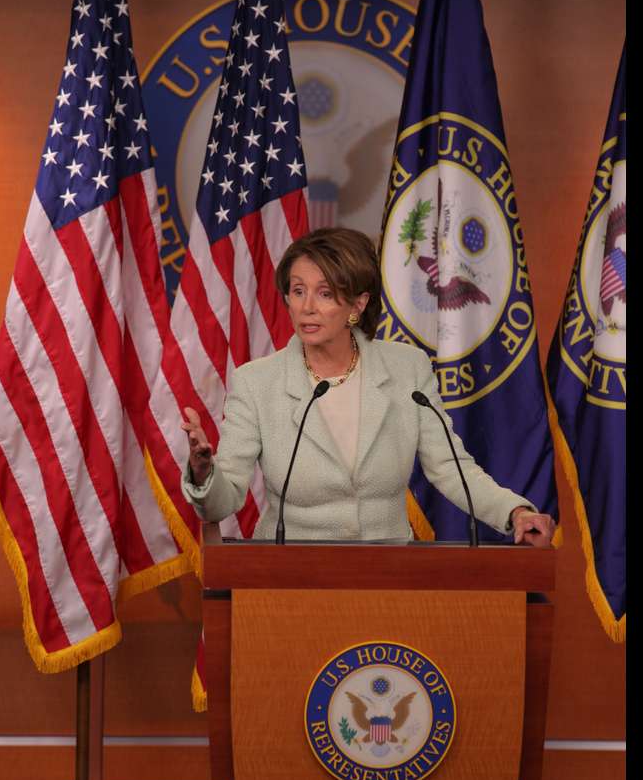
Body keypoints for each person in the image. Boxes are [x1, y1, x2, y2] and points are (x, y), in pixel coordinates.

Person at [179, 227, 556, 546]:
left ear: (357, 304)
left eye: (325, 293)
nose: (307, 306)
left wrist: (515, 512)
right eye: (298, 291)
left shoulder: (407, 369)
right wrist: (203, 473)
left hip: (387, 574)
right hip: (286, 580)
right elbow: (222, 503)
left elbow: (450, 467)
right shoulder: (257, 382)